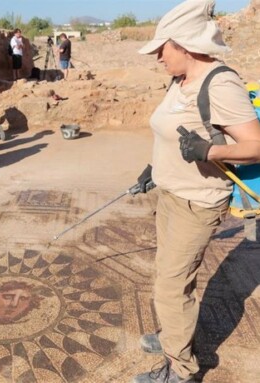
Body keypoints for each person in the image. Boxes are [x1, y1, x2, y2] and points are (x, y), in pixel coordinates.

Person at [133, 1, 260, 383]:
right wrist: (154, 168)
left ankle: (181, 368)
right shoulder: (179, 80)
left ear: (185, 45)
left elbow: (255, 144)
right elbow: (173, 131)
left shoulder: (220, 83)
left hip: (198, 201)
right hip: (171, 193)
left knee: (170, 287)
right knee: (169, 277)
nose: (157, 56)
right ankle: (175, 333)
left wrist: (210, 151)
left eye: (162, 48)